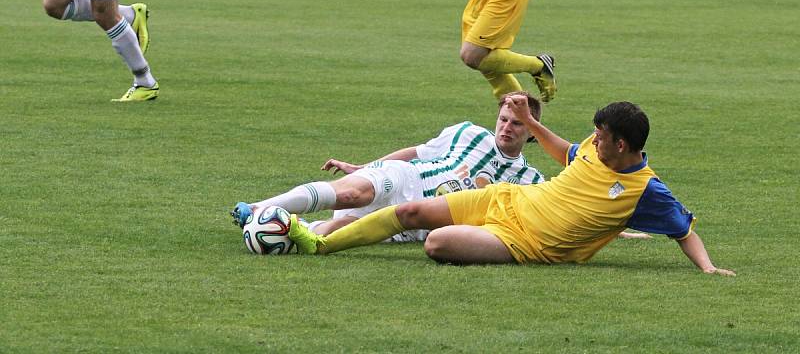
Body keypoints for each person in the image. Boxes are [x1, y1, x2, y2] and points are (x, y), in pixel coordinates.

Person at [287, 96, 735, 276]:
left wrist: (708, 269)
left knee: (436, 244)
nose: (592, 141)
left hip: (520, 240)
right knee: (410, 212)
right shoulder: (592, 151)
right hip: (507, 197)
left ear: (622, 144)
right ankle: (321, 245)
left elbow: (684, 230)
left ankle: (320, 238)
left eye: (600, 136)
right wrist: (532, 121)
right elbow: (564, 152)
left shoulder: (645, 191)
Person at [232, 92, 547, 242]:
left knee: (337, 232)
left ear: (532, 131)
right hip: (406, 179)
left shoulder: (531, 181)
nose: (506, 127)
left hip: (416, 223)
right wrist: (365, 166)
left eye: (517, 124)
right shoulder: (469, 132)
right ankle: (257, 207)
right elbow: (415, 152)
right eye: (503, 119)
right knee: (353, 193)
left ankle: (278, 229)